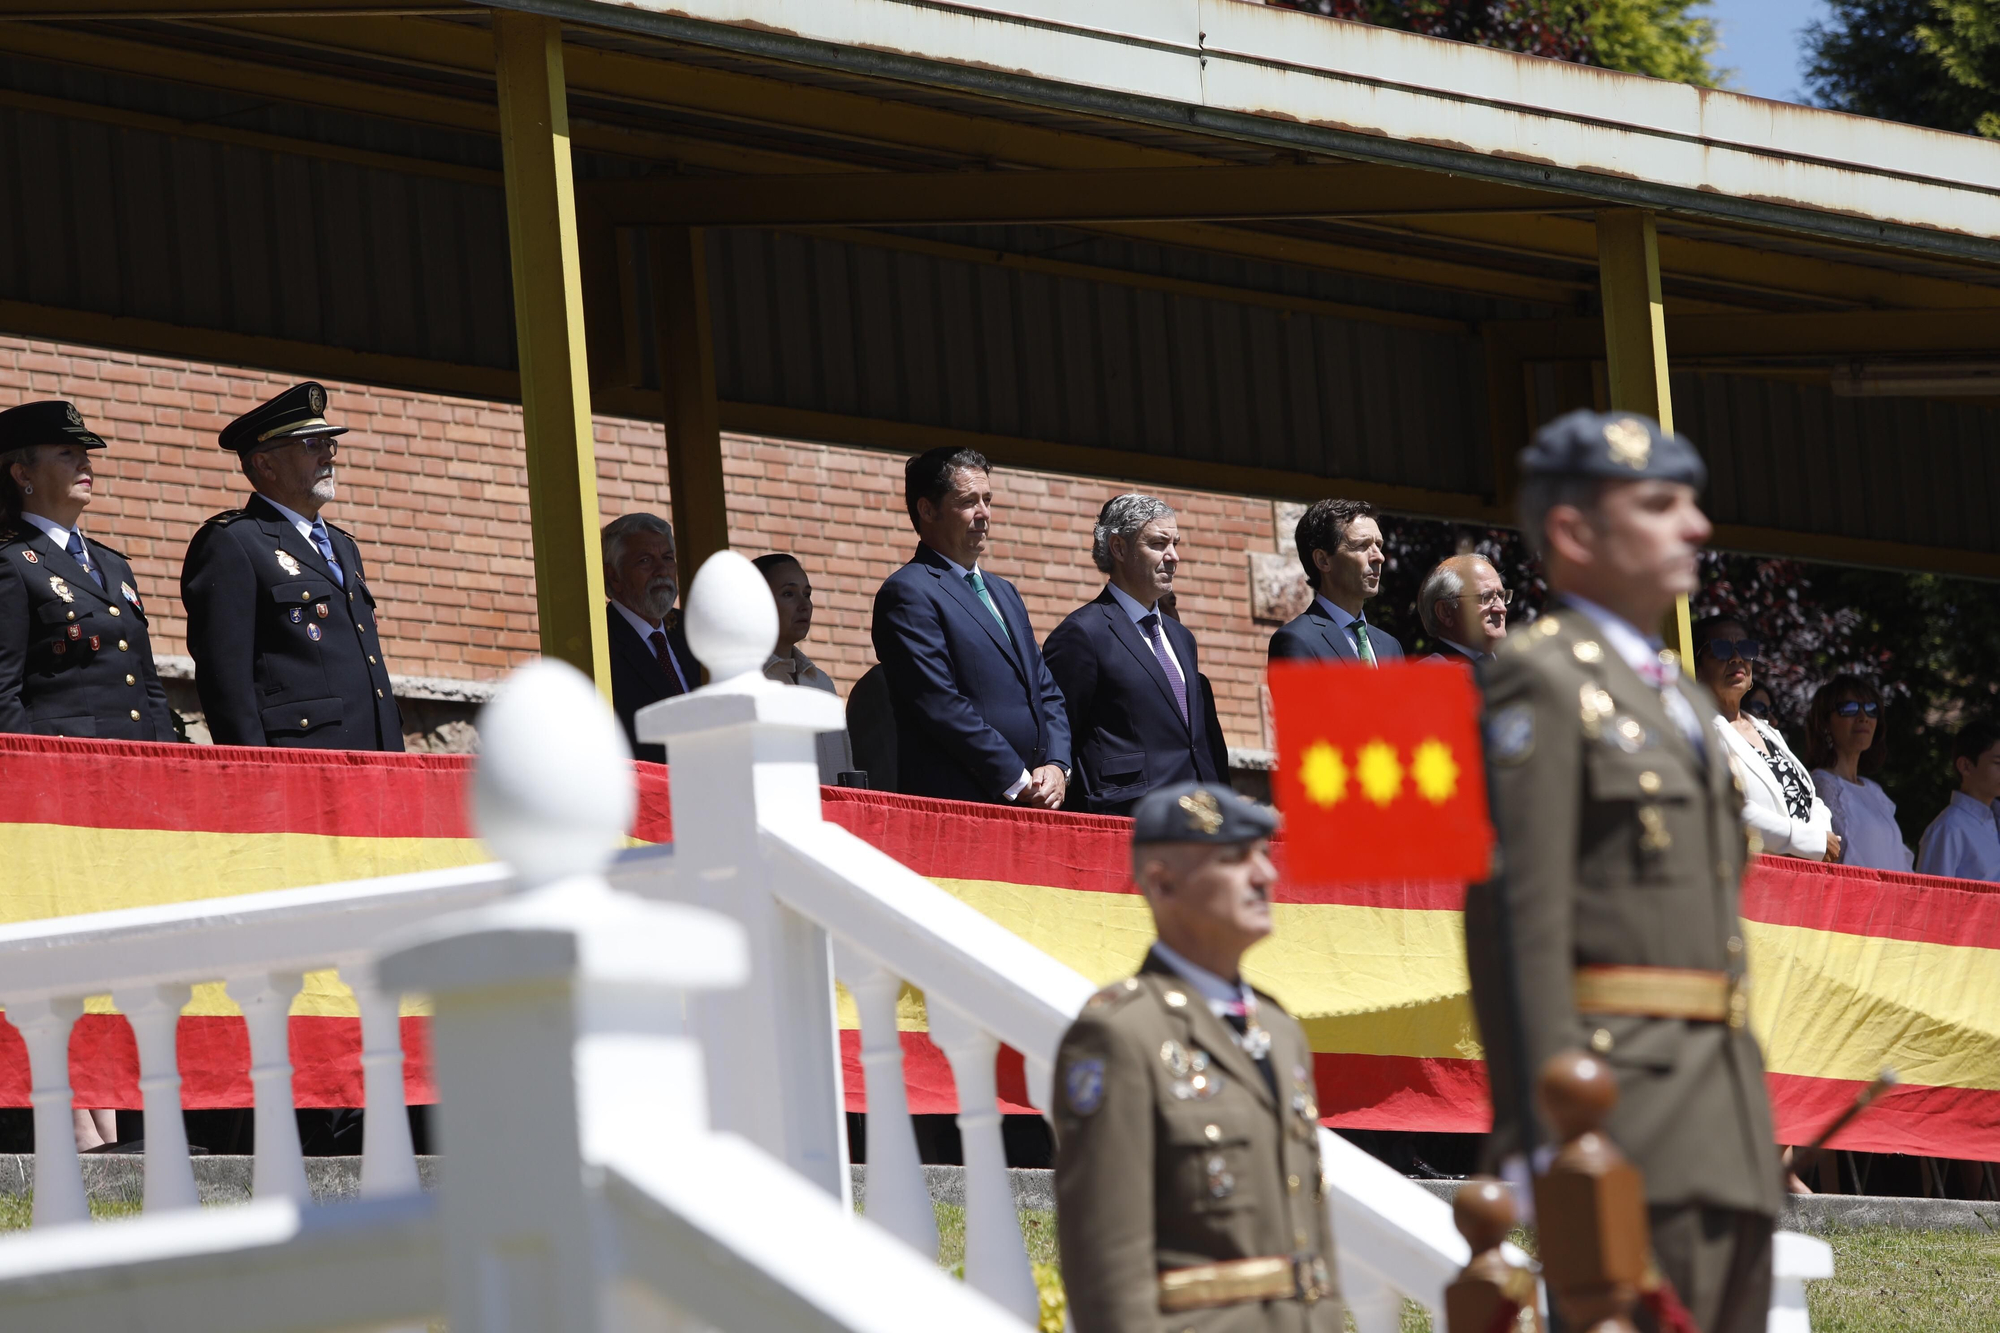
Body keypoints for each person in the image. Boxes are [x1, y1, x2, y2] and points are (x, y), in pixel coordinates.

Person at [1463, 409, 1781, 1333]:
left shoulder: (1678, 694)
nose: (1696, 526)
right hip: (1619, 1104)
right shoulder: (1543, 676)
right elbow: (1518, 909)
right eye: (1659, 504)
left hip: (1723, 1102)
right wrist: (1546, 1121)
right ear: (1574, 532)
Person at [1053, 781, 1341, 1333]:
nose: (1266, 876)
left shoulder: (1280, 1032)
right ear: (1162, 882)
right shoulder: (1121, 1035)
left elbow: (1312, 1251)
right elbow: (1107, 1273)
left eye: (1264, 854)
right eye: (1235, 859)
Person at [181, 382, 402, 750]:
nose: (328, 457)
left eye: (329, 444)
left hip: (374, 759)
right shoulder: (233, 542)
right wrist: (255, 776)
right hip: (300, 766)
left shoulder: (343, 545)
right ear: (265, 464)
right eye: (311, 445)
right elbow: (227, 685)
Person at [870, 447, 1070, 806]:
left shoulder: (1005, 593)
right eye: (968, 502)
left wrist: (1056, 765)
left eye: (988, 500)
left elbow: (1047, 691)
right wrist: (1017, 779)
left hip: (1037, 804)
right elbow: (940, 703)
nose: (984, 514)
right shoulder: (908, 592)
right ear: (927, 510)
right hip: (964, 805)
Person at [0, 400, 175, 742]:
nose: (86, 463)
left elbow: (149, 686)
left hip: (137, 764)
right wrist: (31, 775)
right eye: (66, 453)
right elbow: (3, 691)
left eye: (86, 453)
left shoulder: (113, 565)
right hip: (64, 770)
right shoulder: (11, 563)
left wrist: (168, 764)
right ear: (23, 474)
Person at [1044, 495, 1224, 815]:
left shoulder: (1181, 638)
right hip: (1127, 819)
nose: (1173, 557)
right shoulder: (1082, 633)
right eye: (1158, 543)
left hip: (1200, 818)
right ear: (1119, 548)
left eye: (1175, 543)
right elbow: (1058, 733)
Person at [1693, 616, 1838, 863]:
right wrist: (1809, 841)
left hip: (1804, 881)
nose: (1737, 658)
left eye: (1745, 648)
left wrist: (1821, 836)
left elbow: (1811, 798)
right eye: (1721, 648)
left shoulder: (1766, 730)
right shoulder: (1697, 730)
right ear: (1697, 667)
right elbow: (1726, 806)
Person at [602, 513, 699, 764]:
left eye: (668, 558)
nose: (662, 570)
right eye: (645, 561)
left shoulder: (695, 631)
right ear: (614, 576)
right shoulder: (599, 642)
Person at [754, 551, 854, 784]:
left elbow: (846, 769)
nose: (804, 605)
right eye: (788, 594)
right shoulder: (747, 683)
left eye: (807, 594)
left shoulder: (821, 683)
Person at [1268, 498, 1403, 666]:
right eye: (1362, 545)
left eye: (1378, 545)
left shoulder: (1391, 647)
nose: (1379, 557)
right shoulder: (1297, 640)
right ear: (1323, 560)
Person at [1806, 676, 1912, 873]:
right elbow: (1828, 862)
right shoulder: (1821, 786)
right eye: (1849, 708)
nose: (1863, 716)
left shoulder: (1875, 791)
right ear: (1825, 723)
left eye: (1871, 709)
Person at [1160, 589, 1233, 787]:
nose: (1169, 615)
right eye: (1156, 608)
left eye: (1172, 603)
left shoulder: (1198, 683)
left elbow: (1216, 754)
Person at [1915, 718, 2000, 882]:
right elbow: (1931, 899)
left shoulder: (1994, 820)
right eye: (1998, 762)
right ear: (1965, 766)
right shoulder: (1949, 828)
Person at [1416, 553, 1509, 663]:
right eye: (1485, 597)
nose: (1502, 608)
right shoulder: (1429, 676)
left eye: (1501, 596)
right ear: (1445, 612)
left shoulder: (1515, 669)